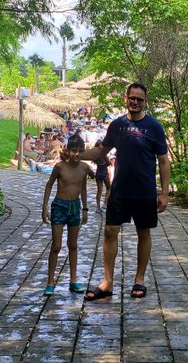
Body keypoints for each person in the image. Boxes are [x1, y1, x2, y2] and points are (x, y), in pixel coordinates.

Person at [65, 82, 170, 301]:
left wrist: (164, 193)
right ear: (126, 99)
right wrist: (76, 156)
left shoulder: (154, 127)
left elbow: (163, 161)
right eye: (132, 98)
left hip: (145, 189)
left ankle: (139, 279)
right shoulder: (117, 126)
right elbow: (101, 152)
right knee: (110, 231)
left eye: (140, 99)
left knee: (144, 232)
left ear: (145, 102)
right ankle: (107, 282)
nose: (135, 102)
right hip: (120, 188)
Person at [41, 133, 92, 296]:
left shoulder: (84, 168)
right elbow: (49, 186)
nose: (77, 154)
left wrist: (85, 209)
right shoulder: (59, 167)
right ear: (68, 150)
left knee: (73, 245)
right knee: (56, 246)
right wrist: (45, 208)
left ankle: (73, 280)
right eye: (74, 150)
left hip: (75, 207)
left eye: (80, 151)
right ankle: (50, 281)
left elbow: (83, 188)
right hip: (59, 206)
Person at [93, 139, 111, 213]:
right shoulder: (103, 154)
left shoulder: (94, 155)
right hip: (104, 172)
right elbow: (108, 163)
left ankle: (97, 207)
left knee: (99, 190)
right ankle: (105, 204)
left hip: (98, 172)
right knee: (109, 188)